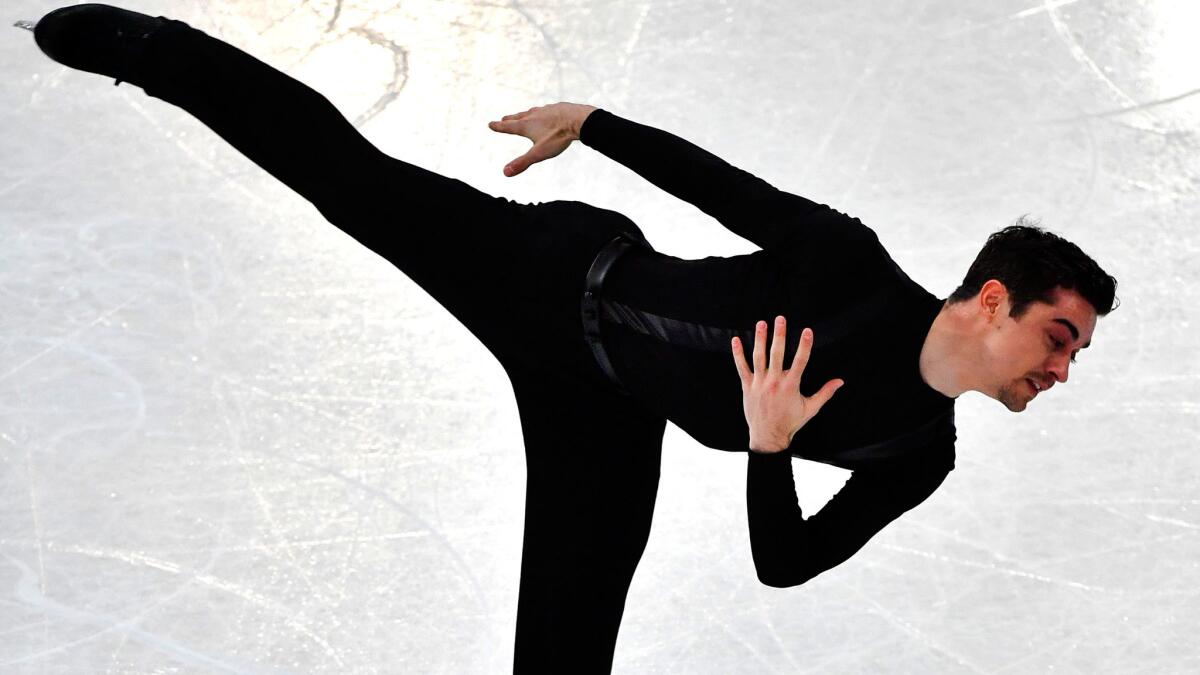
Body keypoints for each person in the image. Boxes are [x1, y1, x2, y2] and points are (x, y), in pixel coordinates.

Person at [24, 5, 1118, 672]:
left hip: (606, 411)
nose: (1062, 369)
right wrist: (590, 124)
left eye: (1073, 354)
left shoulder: (916, 455)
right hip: (552, 279)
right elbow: (723, 187)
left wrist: (772, 446)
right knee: (350, 184)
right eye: (1058, 335)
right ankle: (159, 51)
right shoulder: (851, 267)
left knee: (566, 642)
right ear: (990, 299)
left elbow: (786, 566)